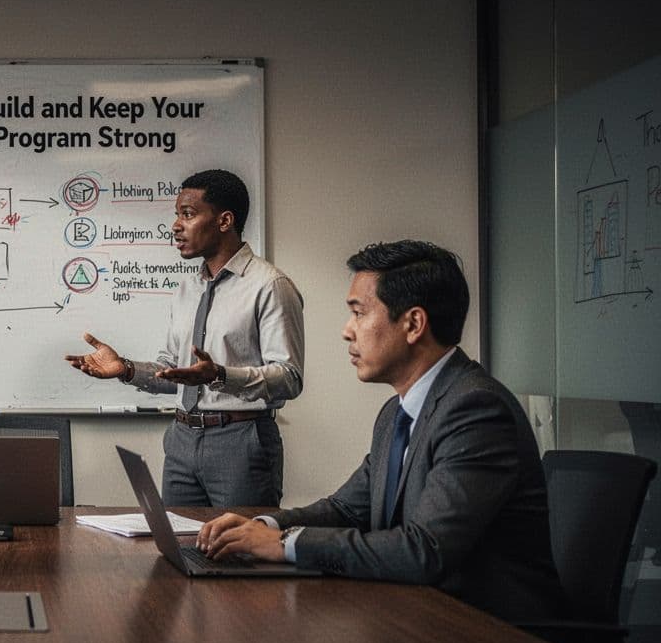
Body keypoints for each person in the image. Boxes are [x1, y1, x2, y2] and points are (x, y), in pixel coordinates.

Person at [198, 240, 565, 622]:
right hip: (420, 616)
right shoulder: (397, 412)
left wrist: (286, 544)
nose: (347, 331)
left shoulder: (476, 411)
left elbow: (425, 550)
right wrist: (265, 526)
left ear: (413, 324)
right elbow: (346, 509)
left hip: (493, 637)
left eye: (358, 313)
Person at [65, 169, 303, 506]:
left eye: (188, 214)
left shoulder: (270, 286)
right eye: (177, 215)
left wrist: (220, 376)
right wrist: (127, 369)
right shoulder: (188, 288)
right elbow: (174, 372)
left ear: (224, 221)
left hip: (240, 440)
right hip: (181, 441)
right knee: (178, 551)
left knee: (238, 553)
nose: (176, 225)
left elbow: (289, 379)